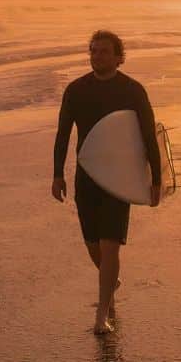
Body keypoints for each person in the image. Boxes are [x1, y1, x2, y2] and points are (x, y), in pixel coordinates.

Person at [52, 29, 161, 335]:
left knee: (110, 245)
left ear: (118, 56)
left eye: (103, 52)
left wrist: (156, 178)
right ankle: (110, 280)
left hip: (120, 176)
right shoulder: (76, 90)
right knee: (92, 245)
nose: (97, 56)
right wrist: (57, 173)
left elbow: (149, 135)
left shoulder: (132, 90)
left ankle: (103, 312)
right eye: (93, 51)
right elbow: (63, 133)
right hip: (87, 175)